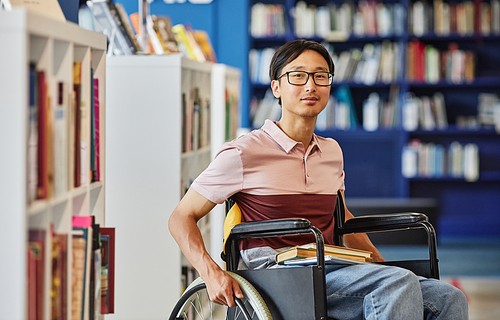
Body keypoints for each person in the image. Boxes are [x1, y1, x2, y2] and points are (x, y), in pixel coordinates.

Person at [168, 39, 468, 319]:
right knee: (395, 284)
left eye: (320, 76)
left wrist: (380, 264)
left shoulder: (331, 151)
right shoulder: (243, 153)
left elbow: (342, 218)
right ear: (276, 87)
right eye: (298, 76)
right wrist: (210, 272)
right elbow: (181, 218)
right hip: (276, 277)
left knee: (448, 297)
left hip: (330, 266)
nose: (310, 85)